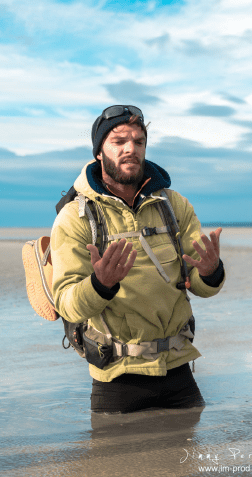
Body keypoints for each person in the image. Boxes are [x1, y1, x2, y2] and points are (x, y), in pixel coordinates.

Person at [51, 105, 225, 413]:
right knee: (111, 463)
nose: (131, 148)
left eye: (139, 141)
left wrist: (210, 273)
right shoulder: (75, 217)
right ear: (99, 153)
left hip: (178, 368)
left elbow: (199, 284)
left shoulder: (173, 205)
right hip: (116, 378)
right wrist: (100, 284)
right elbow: (66, 303)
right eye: (118, 141)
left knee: (188, 461)